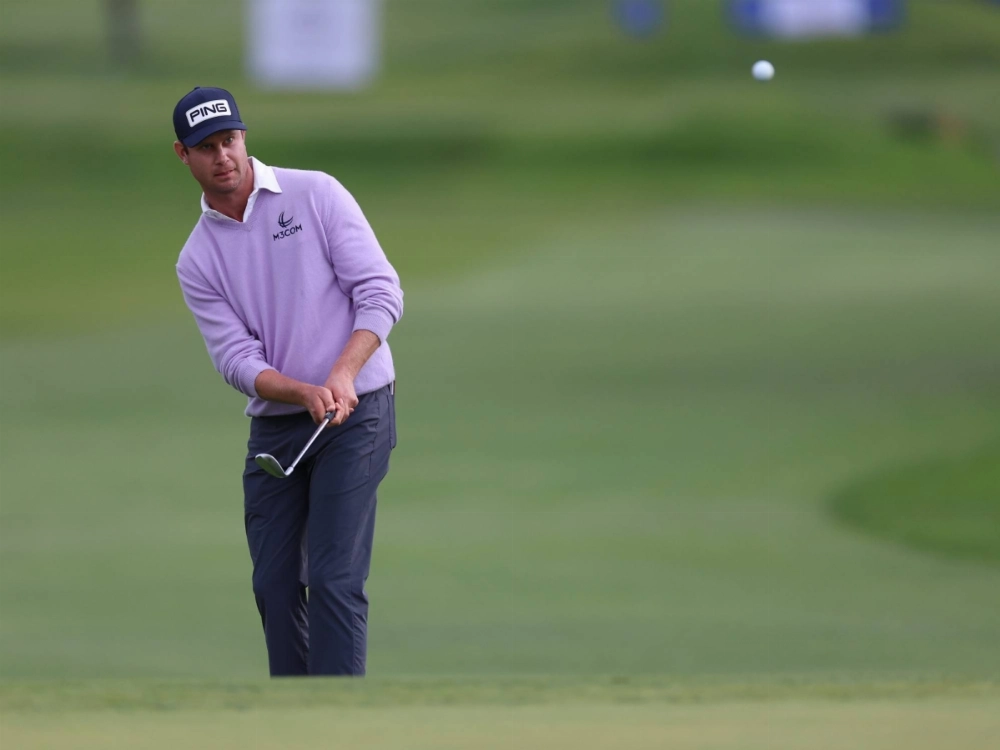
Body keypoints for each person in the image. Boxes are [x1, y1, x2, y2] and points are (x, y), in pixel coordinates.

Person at [172, 86, 403, 676]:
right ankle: (295, 715)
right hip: (279, 429)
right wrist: (301, 391)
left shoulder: (314, 193)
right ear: (184, 155)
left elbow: (380, 291)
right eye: (207, 147)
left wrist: (342, 373)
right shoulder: (197, 259)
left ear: (244, 137)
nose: (223, 156)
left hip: (357, 412)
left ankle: (337, 718)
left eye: (230, 140)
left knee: (332, 578)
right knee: (274, 585)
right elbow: (236, 360)